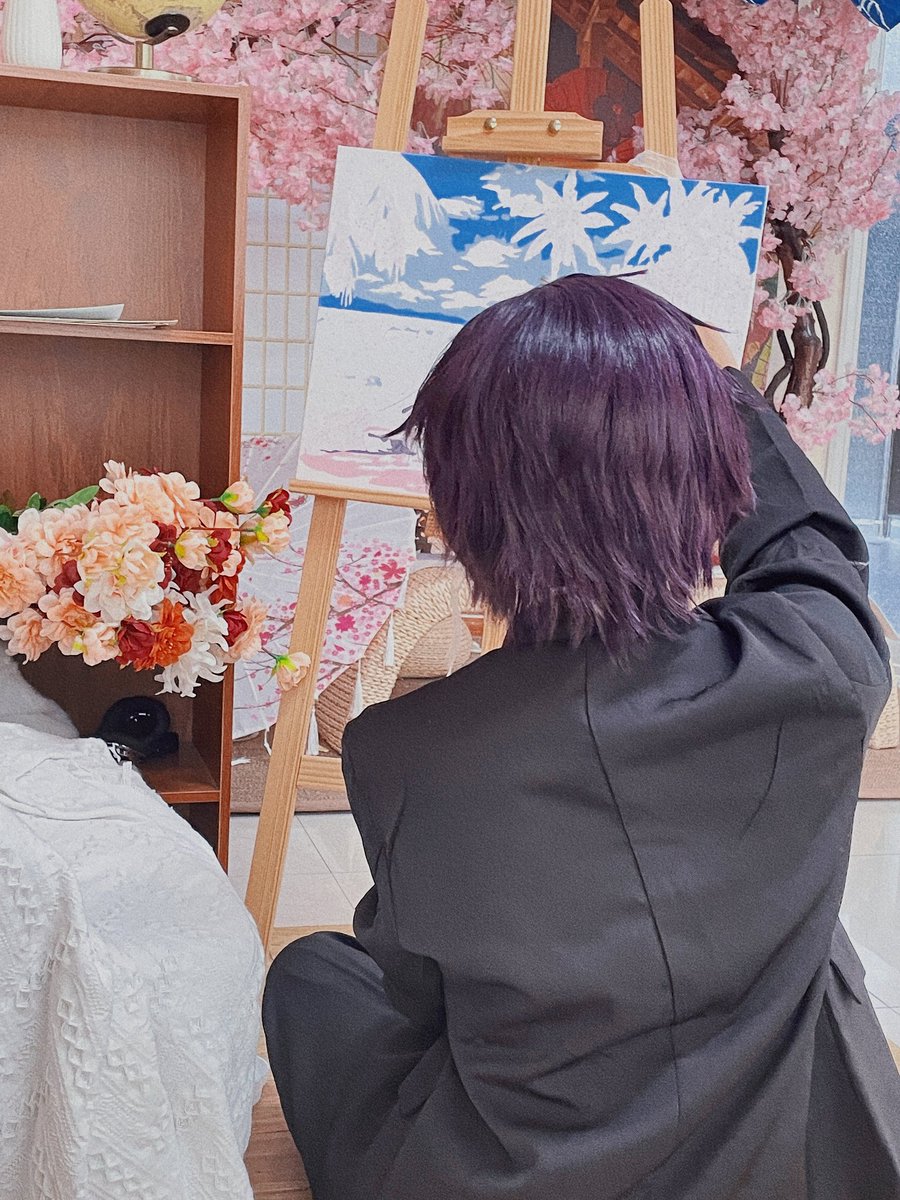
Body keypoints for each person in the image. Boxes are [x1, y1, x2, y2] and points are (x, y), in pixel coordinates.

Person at [263, 274, 900, 1200]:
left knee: (314, 971)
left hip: (509, 1177)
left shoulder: (401, 751)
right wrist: (721, 388)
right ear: (712, 490)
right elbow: (810, 544)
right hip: (794, 1165)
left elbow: (423, 1001)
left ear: (459, 510)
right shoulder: (819, 667)